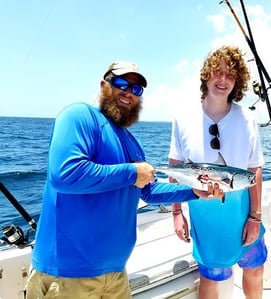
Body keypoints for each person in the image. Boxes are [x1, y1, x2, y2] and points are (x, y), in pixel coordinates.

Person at [25, 61, 224, 299]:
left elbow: (148, 192)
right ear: (103, 85)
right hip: (67, 275)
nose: (129, 92)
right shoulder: (79, 116)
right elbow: (66, 174)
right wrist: (132, 172)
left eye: (137, 89)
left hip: (116, 275)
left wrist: (194, 191)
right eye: (122, 83)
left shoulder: (131, 142)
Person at [169, 46, 267, 299]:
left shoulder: (246, 118)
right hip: (205, 215)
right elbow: (175, 170)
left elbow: (254, 169)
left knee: (254, 268)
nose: (223, 80)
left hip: (241, 210)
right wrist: (177, 213)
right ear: (206, 75)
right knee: (211, 278)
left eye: (230, 75)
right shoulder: (182, 117)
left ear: (238, 82)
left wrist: (255, 218)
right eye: (217, 72)